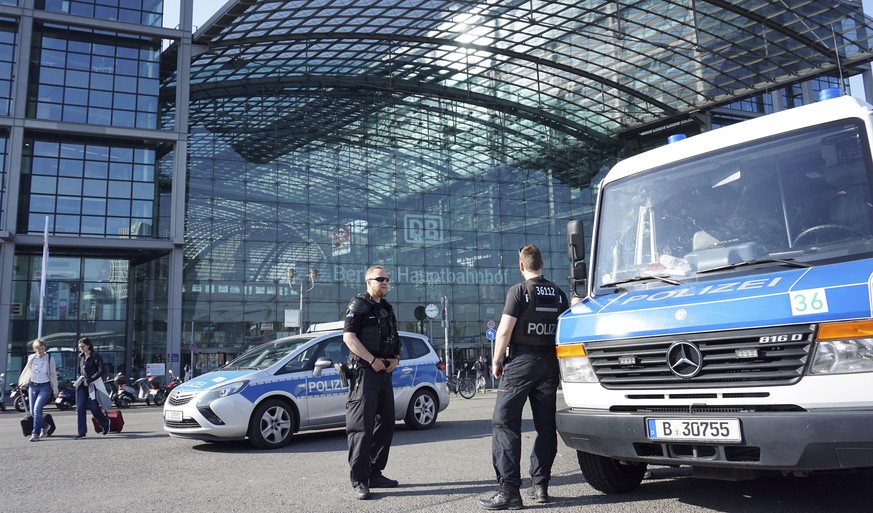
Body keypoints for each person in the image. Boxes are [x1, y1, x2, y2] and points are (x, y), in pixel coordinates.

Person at [479, 244, 568, 510]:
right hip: (549, 364)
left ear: (521, 266)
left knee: (504, 423)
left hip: (521, 363)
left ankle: (509, 491)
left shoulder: (518, 291)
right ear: (542, 264)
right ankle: (540, 486)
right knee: (545, 426)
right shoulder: (558, 293)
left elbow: (504, 332)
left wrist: (496, 361)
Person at [342, 265, 402, 500]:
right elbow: (349, 337)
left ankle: (374, 472)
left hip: (384, 373)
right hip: (365, 373)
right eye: (381, 279)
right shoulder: (359, 304)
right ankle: (359, 479)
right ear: (368, 281)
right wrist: (372, 360)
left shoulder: (386, 308)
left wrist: (395, 359)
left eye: (387, 279)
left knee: (385, 424)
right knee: (361, 428)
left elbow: (395, 337)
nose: (385, 282)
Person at [18, 339, 58, 441]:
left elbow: (53, 374)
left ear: (45, 348)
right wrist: (23, 383)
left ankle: (35, 433)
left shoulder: (49, 358)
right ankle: (45, 426)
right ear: (34, 349)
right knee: (33, 412)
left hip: (45, 387)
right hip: (33, 386)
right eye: (38, 348)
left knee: (37, 409)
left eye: (42, 348)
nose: (40, 350)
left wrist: (55, 389)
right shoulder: (31, 357)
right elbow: (27, 371)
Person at [75, 337, 110, 439]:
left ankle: (105, 422)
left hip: (93, 385)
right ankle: (81, 432)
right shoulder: (81, 356)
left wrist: (89, 380)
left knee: (94, 408)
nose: (81, 348)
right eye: (79, 347)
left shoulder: (95, 355)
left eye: (82, 346)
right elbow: (80, 371)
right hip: (82, 385)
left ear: (88, 346)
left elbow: (101, 370)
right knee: (80, 408)